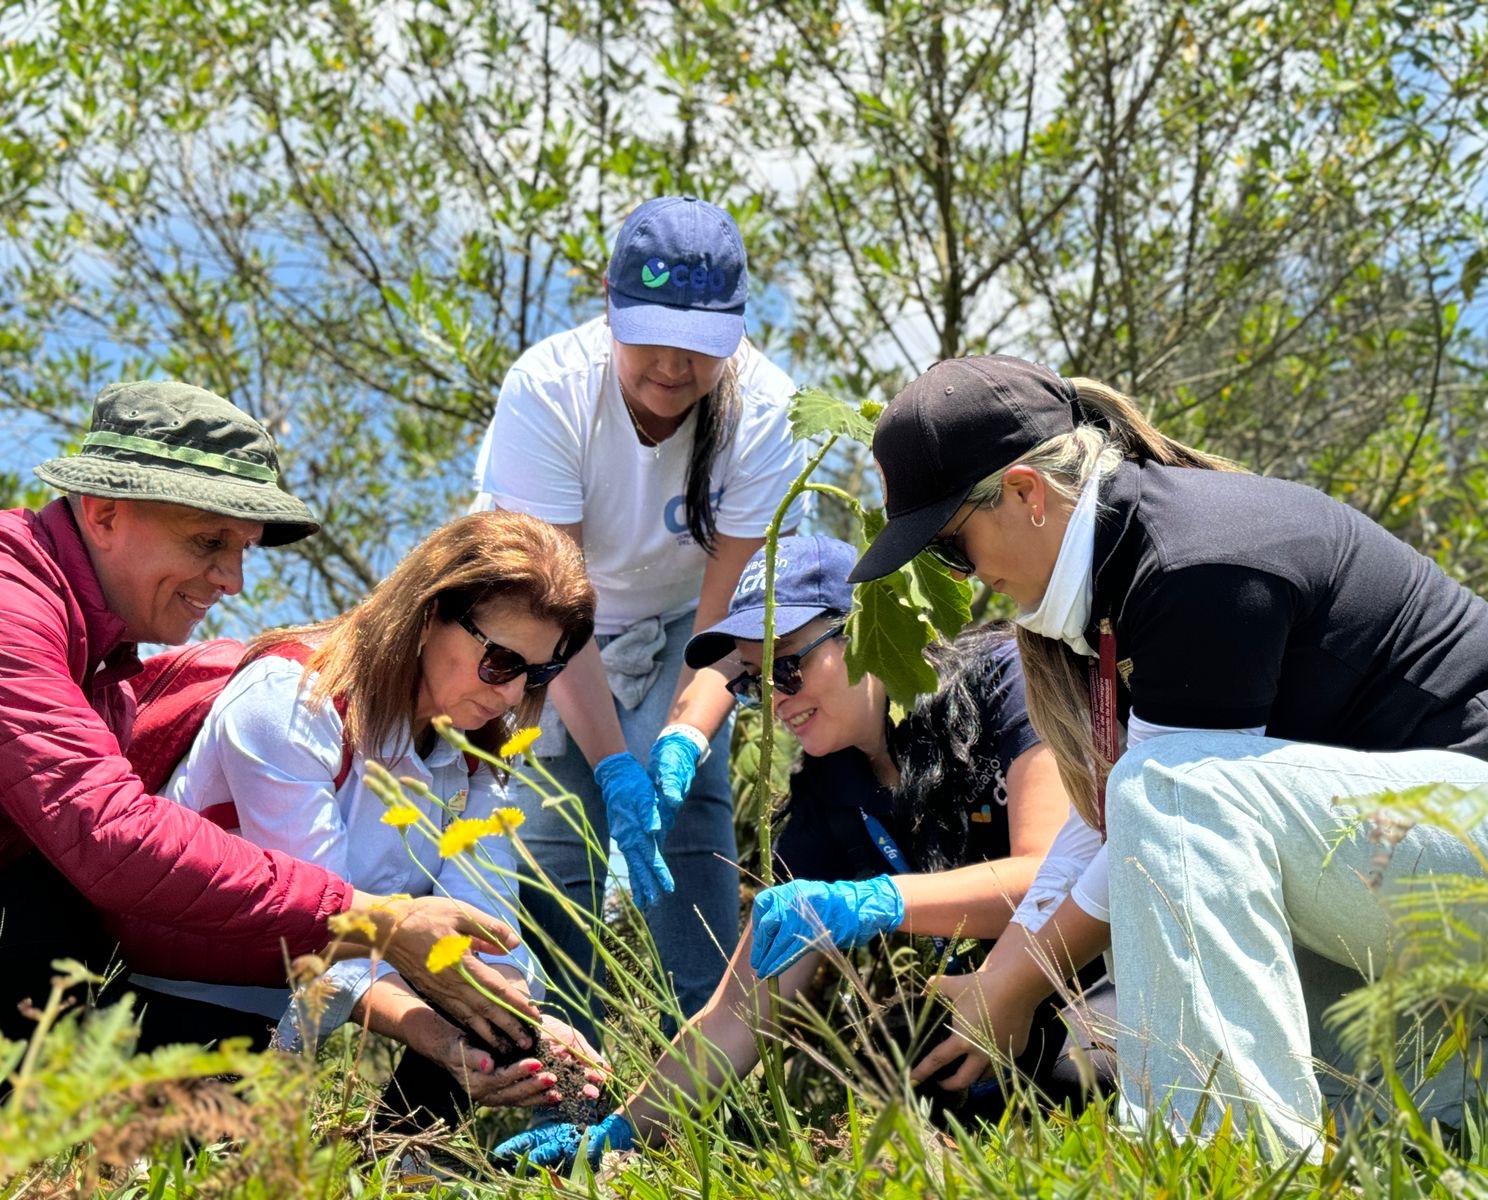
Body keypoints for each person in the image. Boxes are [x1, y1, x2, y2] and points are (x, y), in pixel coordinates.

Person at [847, 354, 1488, 1156]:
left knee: (1162, 803)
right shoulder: (1120, 572)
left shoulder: (1194, 565)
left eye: (950, 547)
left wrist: (1012, 985)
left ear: (1023, 493)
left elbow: (1163, 808)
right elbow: (1115, 828)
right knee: (1148, 830)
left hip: (1467, 849)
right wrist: (998, 980)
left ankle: (1221, 1161)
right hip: (1417, 887)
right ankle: (1395, 1121)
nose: (966, 577)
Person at [0, 382, 537, 1057]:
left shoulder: (102, 666)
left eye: (244, 548)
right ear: (105, 514)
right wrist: (375, 918)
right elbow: (108, 835)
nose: (232, 579)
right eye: (208, 541)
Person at [493, 536, 1111, 1169]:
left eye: (787, 665)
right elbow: (737, 1011)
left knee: (1069, 1076)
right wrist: (619, 1131)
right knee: (902, 1057)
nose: (777, 698)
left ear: (866, 627)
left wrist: (873, 900)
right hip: (997, 1006)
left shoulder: (1005, 680)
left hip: (1113, 967)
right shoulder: (827, 798)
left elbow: (1052, 878)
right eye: (754, 683)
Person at [137, 510, 606, 1118]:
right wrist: (439, 1037)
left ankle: (419, 1166)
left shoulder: (473, 754)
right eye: (500, 663)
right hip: (183, 996)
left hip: (296, 1017)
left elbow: (488, 926)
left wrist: (527, 1027)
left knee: (506, 1015)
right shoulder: (291, 699)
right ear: (429, 614)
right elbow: (320, 923)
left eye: (539, 673)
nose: (513, 694)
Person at [473, 195, 809, 1040]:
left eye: (699, 344)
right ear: (608, 303)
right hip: (549, 615)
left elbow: (728, 615)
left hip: (686, 620)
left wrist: (682, 738)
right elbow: (554, 605)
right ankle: (559, 1052)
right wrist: (615, 764)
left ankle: (704, 1053)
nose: (671, 364)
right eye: (650, 333)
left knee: (693, 803)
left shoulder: (766, 409)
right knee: (557, 823)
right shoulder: (548, 391)